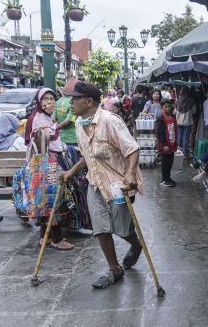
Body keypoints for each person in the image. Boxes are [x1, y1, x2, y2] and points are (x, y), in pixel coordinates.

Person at [62, 80, 144, 290]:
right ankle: (114, 269)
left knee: (122, 229)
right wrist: (71, 171)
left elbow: (132, 148)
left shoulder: (110, 121)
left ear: (89, 101)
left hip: (118, 184)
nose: (70, 103)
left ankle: (136, 245)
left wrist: (129, 175)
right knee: (100, 229)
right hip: (95, 182)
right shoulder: (80, 125)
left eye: (75, 99)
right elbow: (89, 155)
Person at [25, 88, 74, 251]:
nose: (49, 102)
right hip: (47, 164)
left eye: (52, 99)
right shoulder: (39, 119)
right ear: (39, 102)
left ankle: (43, 237)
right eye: (45, 99)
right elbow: (43, 143)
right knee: (53, 199)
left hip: (47, 161)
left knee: (46, 200)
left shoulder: (45, 117)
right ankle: (57, 238)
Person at [156, 98, 177, 187]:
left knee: (170, 161)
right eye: (166, 107)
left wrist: (176, 143)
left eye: (169, 106)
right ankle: (164, 179)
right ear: (162, 107)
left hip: (172, 143)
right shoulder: (160, 118)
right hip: (165, 144)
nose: (168, 108)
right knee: (166, 162)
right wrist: (164, 144)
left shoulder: (172, 116)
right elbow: (160, 132)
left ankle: (168, 177)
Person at [175, 86, 196, 158]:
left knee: (179, 136)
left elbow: (174, 111)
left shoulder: (178, 100)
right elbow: (194, 111)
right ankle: (185, 153)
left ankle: (177, 151)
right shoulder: (191, 101)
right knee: (186, 138)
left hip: (178, 122)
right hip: (188, 122)